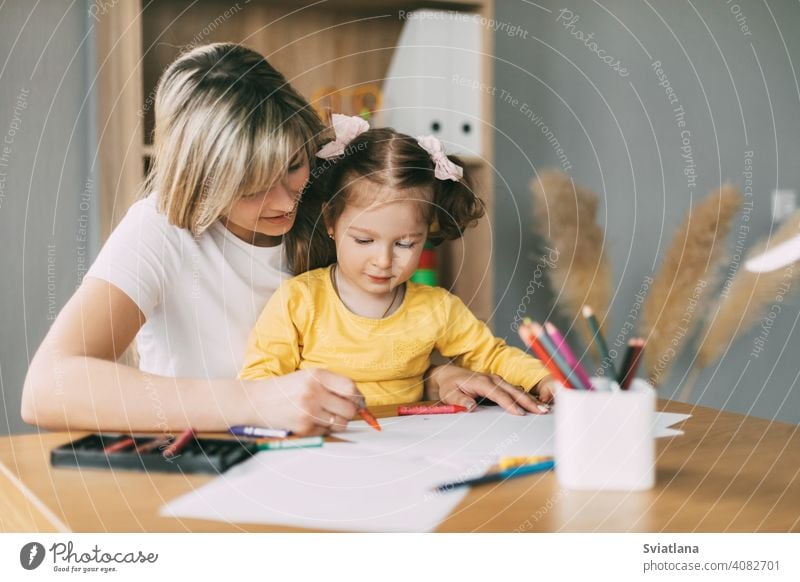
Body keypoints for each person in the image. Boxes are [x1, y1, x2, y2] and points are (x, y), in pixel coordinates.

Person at [21, 44, 538, 436]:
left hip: (343, 451)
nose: (284, 203)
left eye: (292, 164)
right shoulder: (159, 230)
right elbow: (47, 389)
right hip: (210, 459)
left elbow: (367, 340)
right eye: (249, 187)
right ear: (199, 179)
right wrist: (255, 401)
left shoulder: (325, 207)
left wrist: (433, 376)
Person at [239, 115, 556, 413]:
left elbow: (491, 355)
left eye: (405, 243)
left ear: (426, 233)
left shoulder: (436, 308)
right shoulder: (299, 300)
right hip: (324, 444)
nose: (384, 261)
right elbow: (258, 382)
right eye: (364, 241)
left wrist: (544, 379)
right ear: (330, 221)